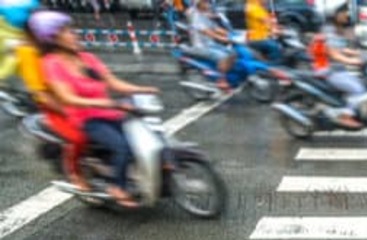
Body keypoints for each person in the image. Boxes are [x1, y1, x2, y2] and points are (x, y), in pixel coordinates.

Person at [33, 11, 159, 207]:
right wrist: (106, 103)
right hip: (86, 119)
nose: (74, 34)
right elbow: (68, 98)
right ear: (53, 38)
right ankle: (116, 187)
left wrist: (144, 89)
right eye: (66, 31)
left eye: (71, 30)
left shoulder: (87, 58)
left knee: (143, 134)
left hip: (109, 112)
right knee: (122, 146)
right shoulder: (51, 64)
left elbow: (114, 83)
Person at [17, 11, 87, 191]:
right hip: (55, 103)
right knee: (78, 137)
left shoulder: (53, 47)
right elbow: (40, 92)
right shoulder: (27, 51)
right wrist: (65, 110)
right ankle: (74, 173)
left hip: (77, 97)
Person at [313, 3, 366, 129]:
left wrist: (355, 53)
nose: (346, 15)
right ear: (335, 14)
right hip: (329, 72)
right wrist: (352, 61)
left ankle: (346, 108)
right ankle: (345, 116)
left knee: (361, 84)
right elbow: (334, 54)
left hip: (337, 70)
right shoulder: (328, 31)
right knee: (358, 89)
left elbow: (340, 49)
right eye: (343, 12)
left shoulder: (336, 30)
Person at [188, 0, 234, 91]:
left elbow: (215, 28)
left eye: (208, 2)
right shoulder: (195, 16)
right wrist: (222, 38)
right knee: (223, 56)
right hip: (200, 47)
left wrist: (231, 34)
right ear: (199, 4)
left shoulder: (205, 15)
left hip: (210, 44)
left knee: (233, 53)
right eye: (205, 2)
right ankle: (222, 80)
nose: (208, 4)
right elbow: (207, 32)